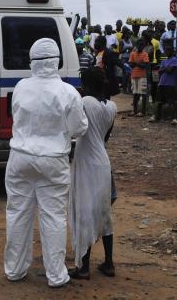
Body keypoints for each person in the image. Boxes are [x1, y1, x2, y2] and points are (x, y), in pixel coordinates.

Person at [4, 38, 88, 288]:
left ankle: (15, 270)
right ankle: (56, 275)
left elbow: (16, 115)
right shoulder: (67, 92)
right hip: (53, 160)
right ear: (57, 61)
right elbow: (79, 128)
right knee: (53, 217)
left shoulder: (20, 86)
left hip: (19, 157)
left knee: (17, 214)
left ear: (32, 61)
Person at [68, 66, 117, 280]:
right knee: (104, 214)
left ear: (86, 85)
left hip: (86, 161)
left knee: (84, 212)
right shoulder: (112, 107)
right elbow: (104, 138)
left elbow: (75, 128)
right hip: (102, 162)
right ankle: (108, 263)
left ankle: (84, 267)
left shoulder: (85, 103)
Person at [149, 46, 177, 124]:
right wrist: (164, 68)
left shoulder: (174, 60)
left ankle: (174, 118)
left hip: (171, 83)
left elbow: (170, 70)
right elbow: (159, 71)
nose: (167, 52)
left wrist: (163, 69)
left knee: (172, 101)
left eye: (169, 50)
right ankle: (156, 116)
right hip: (162, 83)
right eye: (166, 51)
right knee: (159, 101)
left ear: (172, 51)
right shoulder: (164, 61)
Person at [129, 39, 150, 116]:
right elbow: (131, 64)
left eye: (142, 45)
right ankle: (134, 111)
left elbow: (145, 65)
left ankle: (143, 112)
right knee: (135, 94)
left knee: (143, 94)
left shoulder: (145, 54)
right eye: (139, 45)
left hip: (142, 76)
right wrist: (140, 63)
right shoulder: (132, 54)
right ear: (136, 45)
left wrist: (136, 63)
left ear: (143, 46)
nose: (140, 46)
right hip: (134, 75)